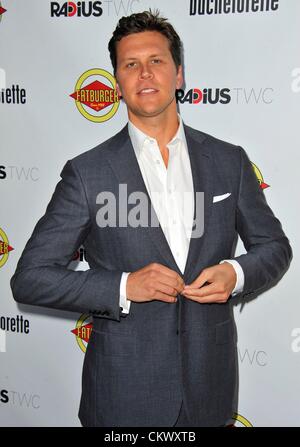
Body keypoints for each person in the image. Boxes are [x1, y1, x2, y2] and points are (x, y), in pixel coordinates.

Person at [11, 10, 292, 427]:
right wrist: (125, 285)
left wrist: (236, 273)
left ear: (179, 74)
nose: (145, 74)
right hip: (123, 397)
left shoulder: (228, 162)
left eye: (156, 61)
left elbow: (274, 247)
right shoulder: (88, 174)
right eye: (130, 65)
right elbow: (30, 277)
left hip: (209, 393)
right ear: (118, 85)